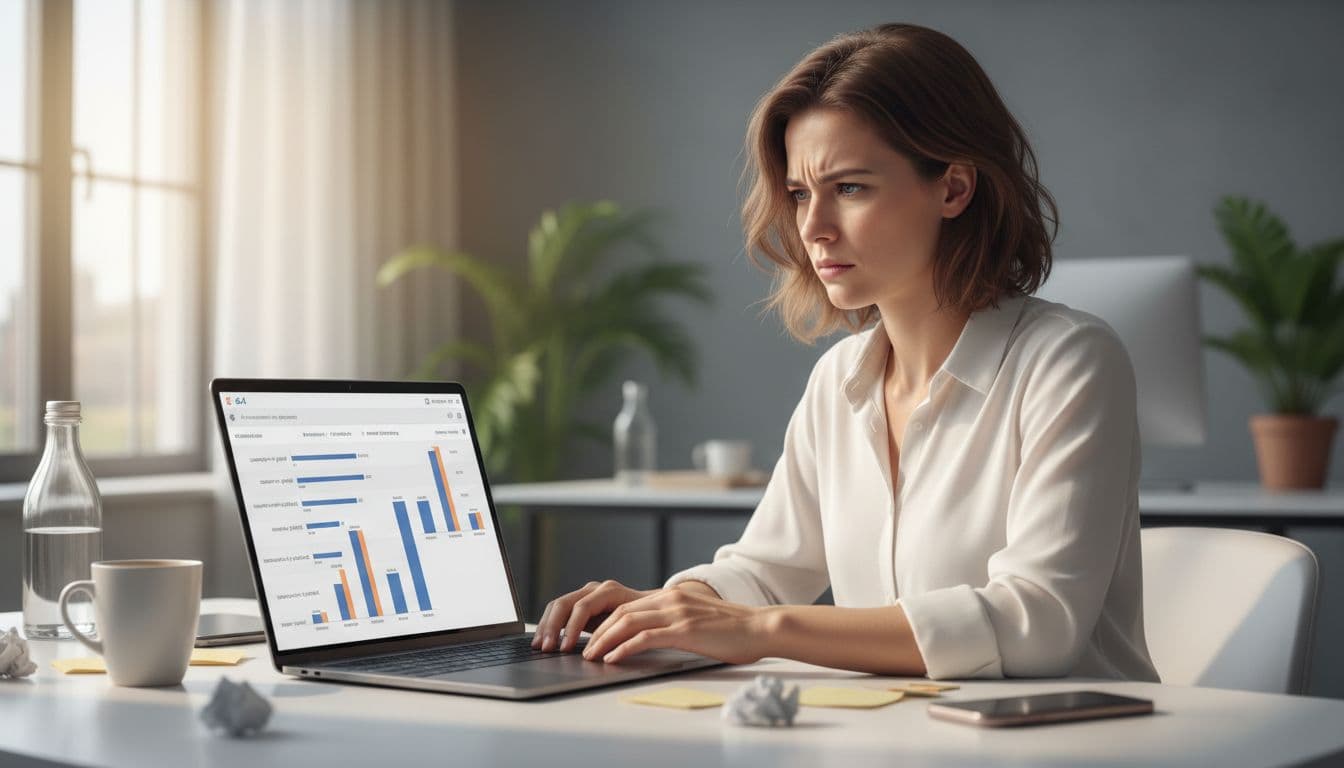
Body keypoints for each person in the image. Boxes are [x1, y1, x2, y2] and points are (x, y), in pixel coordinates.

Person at [531, 22, 1160, 682]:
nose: (812, 227)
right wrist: (671, 606)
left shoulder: (1070, 361)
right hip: (897, 740)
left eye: (851, 188)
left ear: (954, 188)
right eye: (801, 193)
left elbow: (1038, 623)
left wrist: (763, 630)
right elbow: (766, 571)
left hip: (1072, 745)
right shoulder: (839, 379)